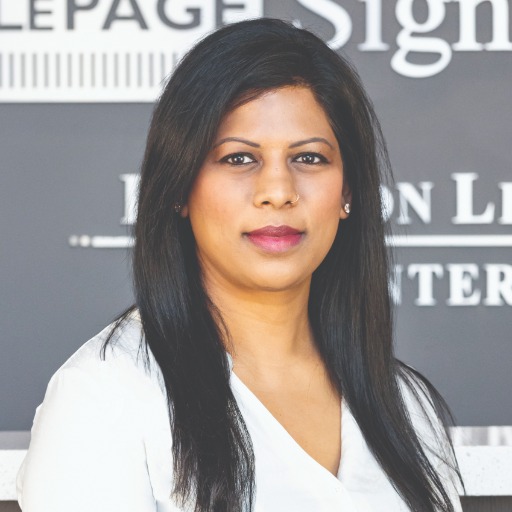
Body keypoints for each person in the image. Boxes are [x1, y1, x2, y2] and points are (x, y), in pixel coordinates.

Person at [17, 18, 463, 512]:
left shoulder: (406, 406)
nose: (278, 191)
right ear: (180, 187)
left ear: (348, 192)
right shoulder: (104, 397)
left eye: (309, 158)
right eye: (238, 159)